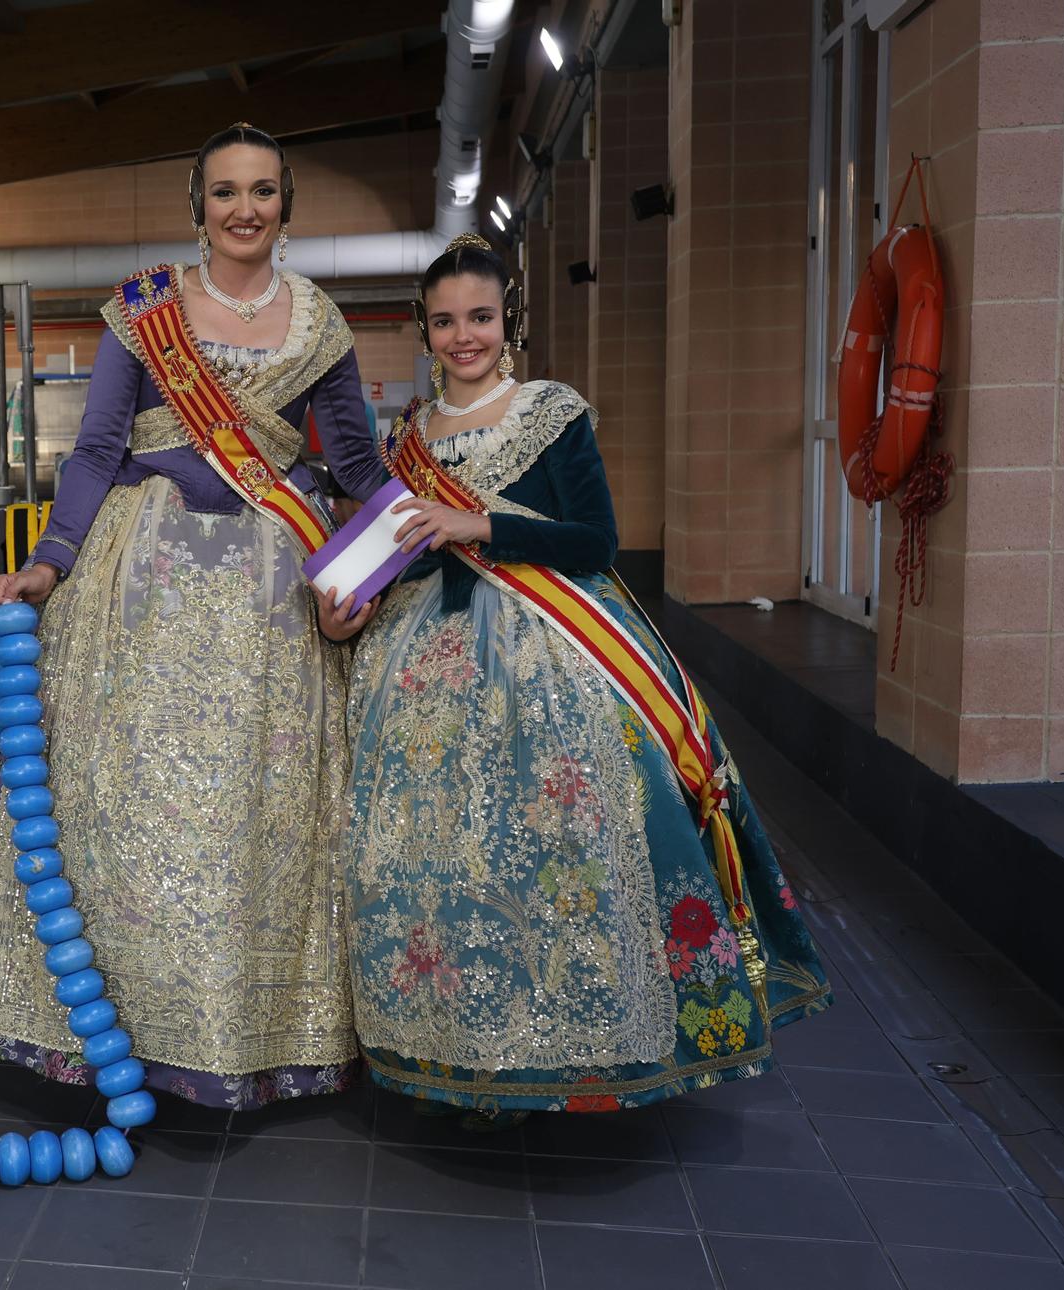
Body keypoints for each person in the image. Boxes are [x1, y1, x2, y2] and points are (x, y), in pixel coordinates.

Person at [0, 123, 383, 1110]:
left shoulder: (322, 324)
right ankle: (123, 1030)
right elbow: (92, 452)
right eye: (222, 192)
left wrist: (402, 555)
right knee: (125, 806)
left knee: (256, 812)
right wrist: (47, 560)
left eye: (260, 191)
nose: (242, 208)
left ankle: (254, 1031)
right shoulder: (142, 311)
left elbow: (360, 474)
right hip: (139, 578)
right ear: (194, 208)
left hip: (272, 596)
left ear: (285, 204)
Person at [323, 234, 831, 1127]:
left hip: (548, 650)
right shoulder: (408, 435)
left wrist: (476, 521)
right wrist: (348, 606)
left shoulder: (550, 410)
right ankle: (450, 1038)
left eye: (479, 317)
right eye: (444, 322)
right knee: (434, 858)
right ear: (425, 330)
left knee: (559, 845)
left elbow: (594, 540)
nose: (463, 337)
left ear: (507, 319)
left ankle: (584, 1045)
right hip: (421, 666)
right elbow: (402, 555)